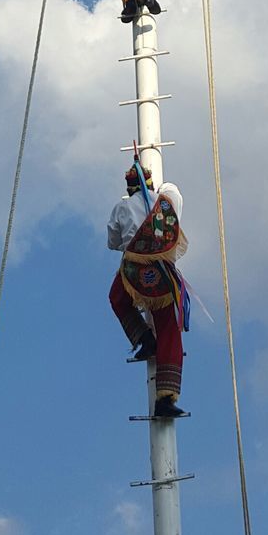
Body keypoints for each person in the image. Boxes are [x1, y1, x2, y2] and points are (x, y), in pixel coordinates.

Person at [108, 162, 189, 418]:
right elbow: (175, 209)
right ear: (151, 183)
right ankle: (166, 397)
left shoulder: (122, 208)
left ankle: (144, 339)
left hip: (134, 272)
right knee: (169, 328)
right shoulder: (164, 202)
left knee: (117, 298)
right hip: (162, 273)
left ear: (129, 188)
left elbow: (112, 242)